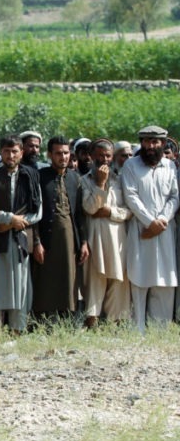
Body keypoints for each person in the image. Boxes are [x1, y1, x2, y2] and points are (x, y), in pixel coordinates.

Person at [120, 125, 178, 333]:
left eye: (155, 142)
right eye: (146, 141)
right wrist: (149, 222)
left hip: (164, 231)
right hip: (140, 230)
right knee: (138, 277)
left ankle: (159, 332)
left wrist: (161, 220)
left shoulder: (170, 167)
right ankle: (137, 331)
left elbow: (174, 196)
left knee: (164, 280)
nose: (150, 146)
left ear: (162, 144)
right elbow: (131, 196)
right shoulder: (131, 166)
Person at [0, 136, 41, 334]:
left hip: (20, 238)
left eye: (15, 151)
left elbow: (38, 212)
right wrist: (10, 218)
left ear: (22, 153)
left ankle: (18, 328)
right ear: (1, 153)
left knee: (21, 285)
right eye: (7, 152)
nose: (11, 156)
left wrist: (11, 224)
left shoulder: (31, 176)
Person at [32, 136, 89, 321]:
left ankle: (67, 321)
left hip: (70, 238)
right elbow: (34, 213)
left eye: (66, 153)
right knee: (46, 281)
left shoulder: (75, 178)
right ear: (49, 155)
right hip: (47, 239)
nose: (63, 157)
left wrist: (84, 242)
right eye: (58, 153)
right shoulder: (40, 177)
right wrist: (36, 241)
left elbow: (79, 213)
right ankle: (45, 321)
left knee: (69, 279)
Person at [80, 138, 130, 326]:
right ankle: (92, 321)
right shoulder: (84, 181)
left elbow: (129, 211)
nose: (104, 159)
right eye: (100, 155)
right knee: (95, 278)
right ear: (92, 157)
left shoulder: (120, 180)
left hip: (117, 236)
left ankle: (114, 322)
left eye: (108, 156)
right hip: (96, 235)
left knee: (118, 278)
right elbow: (90, 208)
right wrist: (100, 185)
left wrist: (111, 212)